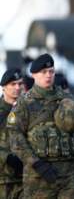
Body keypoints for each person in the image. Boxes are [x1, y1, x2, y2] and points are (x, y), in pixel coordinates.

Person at [7, 53, 74, 198]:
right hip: (39, 176)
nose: (48, 75)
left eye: (51, 72)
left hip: (69, 173)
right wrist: (36, 163)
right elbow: (15, 138)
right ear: (34, 75)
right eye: (43, 72)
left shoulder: (66, 99)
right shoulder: (25, 103)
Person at [0, 68, 24, 198]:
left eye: (20, 84)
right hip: (3, 179)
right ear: (4, 87)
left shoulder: (26, 110)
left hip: (25, 178)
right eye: (13, 84)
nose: (17, 87)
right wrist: (7, 158)